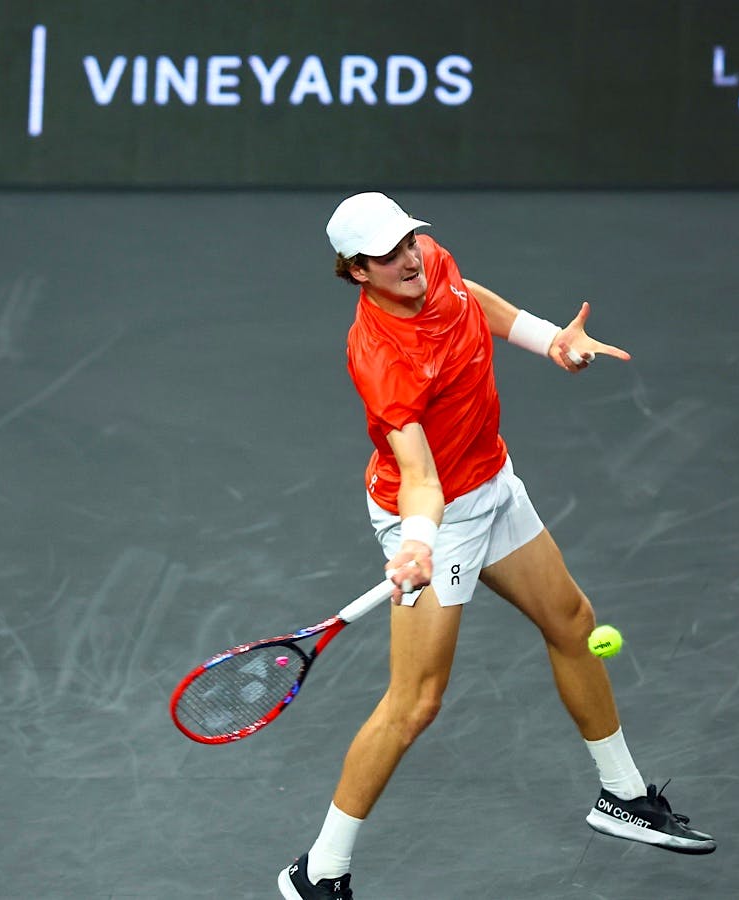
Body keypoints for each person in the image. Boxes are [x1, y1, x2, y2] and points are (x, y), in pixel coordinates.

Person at [278, 193, 714, 900]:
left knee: (571, 621)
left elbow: (470, 300)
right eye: (390, 255)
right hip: (435, 518)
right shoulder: (381, 358)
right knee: (414, 702)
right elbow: (419, 476)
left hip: (491, 485)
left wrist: (551, 341)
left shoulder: (430, 265)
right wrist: (418, 542)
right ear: (358, 271)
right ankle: (317, 871)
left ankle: (623, 796)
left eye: (411, 241)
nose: (411, 258)